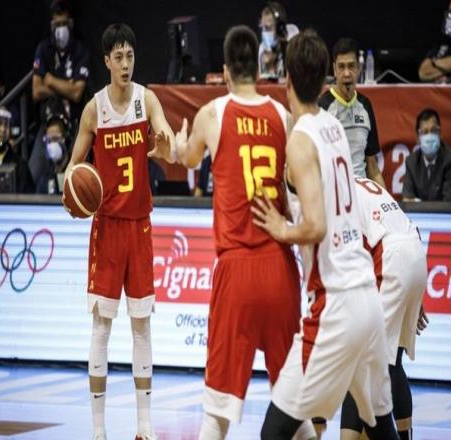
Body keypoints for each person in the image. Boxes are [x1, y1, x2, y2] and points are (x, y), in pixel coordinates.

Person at [253, 29, 398, 440]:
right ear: (324, 80)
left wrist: (281, 228)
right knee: (380, 428)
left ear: (286, 79)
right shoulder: (333, 125)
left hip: (336, 304)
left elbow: (315, 225)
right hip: (368, 297)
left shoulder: (300, 141)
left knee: (273, 432)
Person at [175, 25, 314, 440]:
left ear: (224, 71)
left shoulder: (212, 114)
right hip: (279, 268)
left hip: (236, 270)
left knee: (216, 413)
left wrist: (179, 146)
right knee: (294, 410)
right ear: (258, 68)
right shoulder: (283, 117)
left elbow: (187, 158)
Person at [63, 23, 176, 440]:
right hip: (107, 228)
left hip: (140, 226)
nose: (126, 64)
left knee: (142, 325)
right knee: (101, 328)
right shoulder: (94, 109)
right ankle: (98, 429)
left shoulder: (148, 100)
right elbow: (72, 168)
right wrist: (73, 193)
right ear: (107, 61)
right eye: (119, 57)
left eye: (130, 56)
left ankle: (144, 426)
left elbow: (166, 141)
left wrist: (164, 143)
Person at [340, 176, 428, 440]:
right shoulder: (364, 183)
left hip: (389, 256)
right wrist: (413, 291)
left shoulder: (334, 191)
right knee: (392, 361)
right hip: (414, 252)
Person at [30, 0, 89, 185]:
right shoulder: (44, 48)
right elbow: (36, 91)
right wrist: (66, 86)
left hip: (74, 123)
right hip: (48, 124)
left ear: (70, 23)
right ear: (51, 25)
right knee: (33, 173)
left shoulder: (80, 50)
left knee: (78, 176)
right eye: (56, 24)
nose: (60, 29)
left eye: (63, 23)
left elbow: (77, 93)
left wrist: (50, 80)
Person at [319, 37, 386, 188]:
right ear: (334, 70)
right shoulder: (322, 107)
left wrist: (387, 200)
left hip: (362, 193)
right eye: (341, 67)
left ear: (359, 68)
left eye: (351, 66)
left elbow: (372, 167)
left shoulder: (365, 106)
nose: (347, 73)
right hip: (334, 194)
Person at [402, 108, 451, 201]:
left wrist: (418, 203)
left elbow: (449, 203)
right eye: (425, 132)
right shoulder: (411, 162)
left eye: (433, 130)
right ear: (418, 137)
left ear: (439, 134)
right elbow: (407, 199)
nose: (429, 136)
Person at [418, 0, 451, 83]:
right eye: (449, 14)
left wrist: (436, 63)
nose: (450, 20)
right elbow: (423, 73)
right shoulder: (444, 44)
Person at [258, 2, 299, 81]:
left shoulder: (295, 45)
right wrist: (269, 68)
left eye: (267, 28)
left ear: (280, 29)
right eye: (262, 28)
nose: (264, 33)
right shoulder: (262, 49)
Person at [35, 112, 70, 194]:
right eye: (49, 141)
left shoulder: (76, 173)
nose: (52, 145)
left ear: (66, 139)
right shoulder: (45, 178)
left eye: (55, 139)